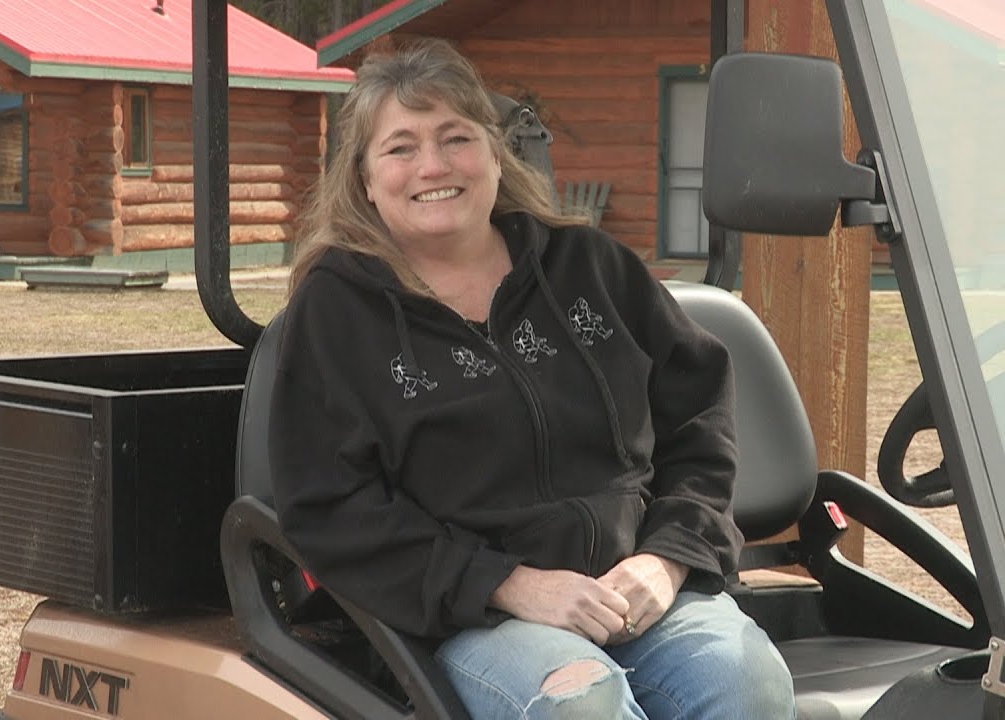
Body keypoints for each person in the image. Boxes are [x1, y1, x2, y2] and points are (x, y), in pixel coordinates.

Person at [268, 38, 795, 719]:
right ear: (366, 178)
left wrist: (667, 559)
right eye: (401, 148)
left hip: (634, 590)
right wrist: (508, 585)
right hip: (470, 619)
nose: (433, 165)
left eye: (455, 137)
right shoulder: (337, 312)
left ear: (494, 152)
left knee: (748, 682)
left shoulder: (590, 268)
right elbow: (331, 507)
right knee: (582, 704)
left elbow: (699, 418)